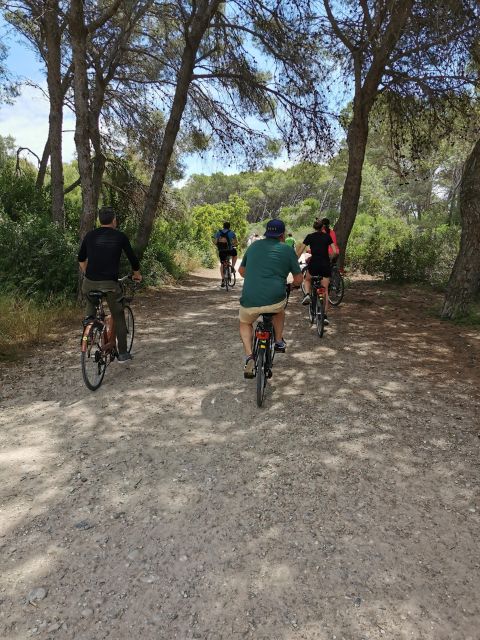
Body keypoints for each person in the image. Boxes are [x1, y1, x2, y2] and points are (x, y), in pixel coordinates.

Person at [238, 218, 303, 378]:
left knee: (245, 322)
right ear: (282, 235)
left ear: (267, 233)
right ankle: (279, 341)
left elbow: (241, 271)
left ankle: (249, 357)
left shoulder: (253, 247)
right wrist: (292, 285)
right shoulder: (287, 250)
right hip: (275, 297)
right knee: (279, 310)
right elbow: (299, 279)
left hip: (250, 299)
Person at [78, 206, 142, 363]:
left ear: (100, 220)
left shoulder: (90, 235)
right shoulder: (119, 236)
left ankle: (89, 324)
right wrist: (136, 274)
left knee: (91, 306)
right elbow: (133, 259)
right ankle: (122, 354)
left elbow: (81, 259)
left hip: (89, 284)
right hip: (110, 285)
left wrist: (88, 274)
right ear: (114, 220)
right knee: (118, 316)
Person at [296, 218, 338, 325]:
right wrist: (330, 258)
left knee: (307, 279)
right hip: (325, 265)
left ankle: (306, 295)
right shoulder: (327, 237)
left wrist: (295, 260)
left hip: (314, 264)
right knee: (325, 290)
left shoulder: (310, 237)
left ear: (314, 227)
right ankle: (324, 316)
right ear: (323, 227)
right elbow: (334, 252)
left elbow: (300, 251)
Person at [214, 221, 238, 286]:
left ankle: (223, 279)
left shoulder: (218, 232)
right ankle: (232, 267)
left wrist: (218, 244)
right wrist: (232, 244)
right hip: (229, 250)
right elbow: (236, 242)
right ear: (229, 227)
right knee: (235, 255)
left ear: (223, 226)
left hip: (221, 251)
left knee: (222, 264)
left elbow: (215, 242)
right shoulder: (232, 233)